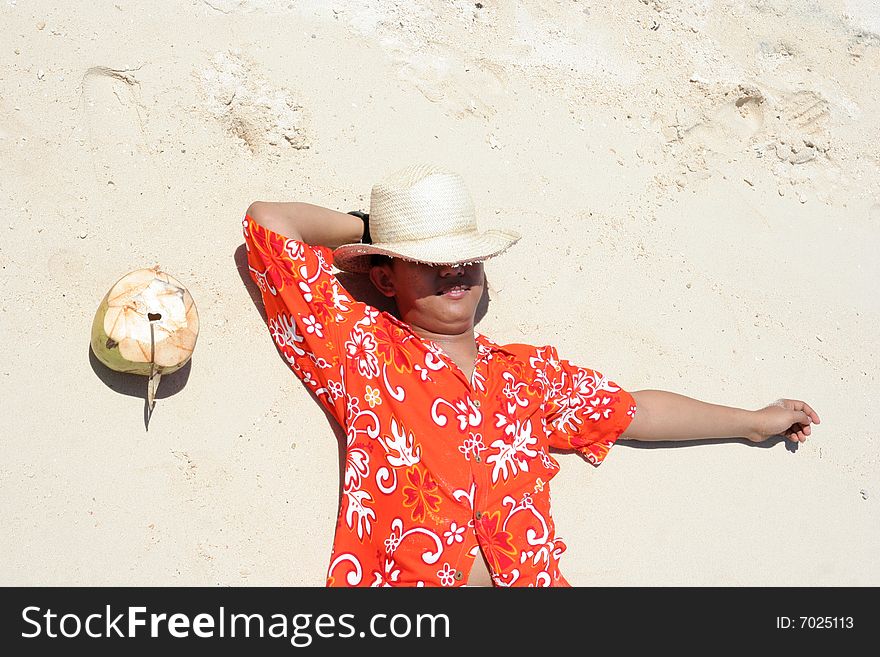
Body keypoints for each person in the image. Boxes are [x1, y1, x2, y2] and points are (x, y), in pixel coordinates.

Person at [241, 163, 820, 587]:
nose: (453, 274)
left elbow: (633, 412)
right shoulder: (361, 349)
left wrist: (751, 421)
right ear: (387, 279)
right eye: (428, 261)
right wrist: (375, 233)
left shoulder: (525, 375)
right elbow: (269, 222)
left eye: (464, 259)